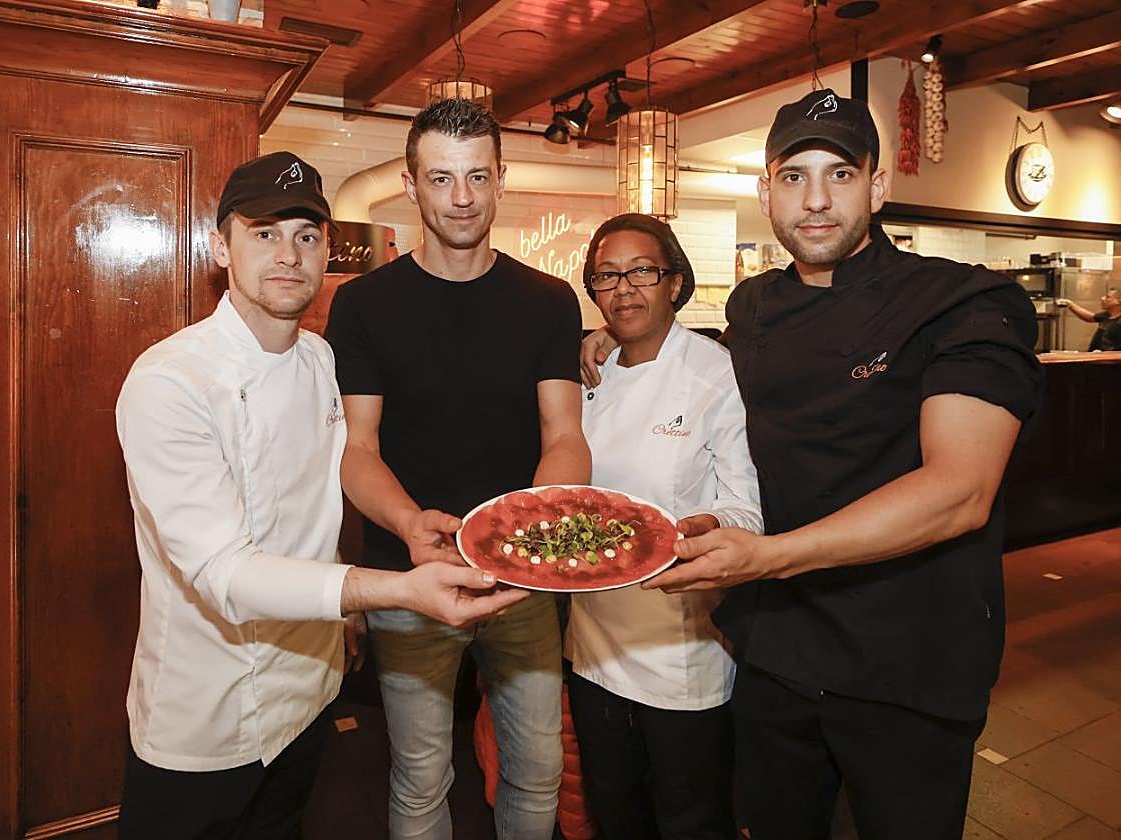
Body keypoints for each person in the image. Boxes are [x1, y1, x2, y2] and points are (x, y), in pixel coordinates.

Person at [582, 90, 1044, 839]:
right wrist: (617, 343)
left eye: (840, 174)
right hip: (777, 656)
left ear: (878, 185)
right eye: (794, 177)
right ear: (766, 191)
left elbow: (959, 490)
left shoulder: (962, 302)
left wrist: (767, 556)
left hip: (906, 666)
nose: (817, 200)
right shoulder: (756, 306)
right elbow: (708, 372)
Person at [115, 150, 527, 840]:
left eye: (306, 236)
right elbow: (224, 573)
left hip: (306, 698)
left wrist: (407, 520)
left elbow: (338, 471)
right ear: (221, 246)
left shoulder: (319, 360)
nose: (289, 254)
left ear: (328, 249)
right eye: (265, 233)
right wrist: (397, 591)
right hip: (205, 717)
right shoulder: (170, 381)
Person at [324, 99, 591, 840]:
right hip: (409, 575)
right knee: (420, 776)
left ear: (502, 180)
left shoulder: (547, 300)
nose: (462, 197)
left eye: (478, 177)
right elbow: (360, 448)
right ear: (411, 186)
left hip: (523, 579)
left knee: (537, 768)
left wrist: (527, 528)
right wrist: (410, 523)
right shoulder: (364, 304)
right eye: (442, 179)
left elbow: (564, 433)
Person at [565, 213, 762, 840]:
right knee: (613, 807)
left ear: (674, 282)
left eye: (641, 272)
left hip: (682, 649)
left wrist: (708, 526)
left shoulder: (715, 374)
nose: (624, 289)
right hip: (592, 641)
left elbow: (746, 508)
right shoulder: (586, 375)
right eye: (606, 276)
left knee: (690, 817)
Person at [1056, 287, 1121, 350]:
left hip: (1110, 359)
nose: (1102, 298)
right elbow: (1090, 317)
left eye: (1108, 297)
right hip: (1096, 356)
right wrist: (1070, 305)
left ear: (1119, 301)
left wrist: (1104, 354)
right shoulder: (1106, 315)